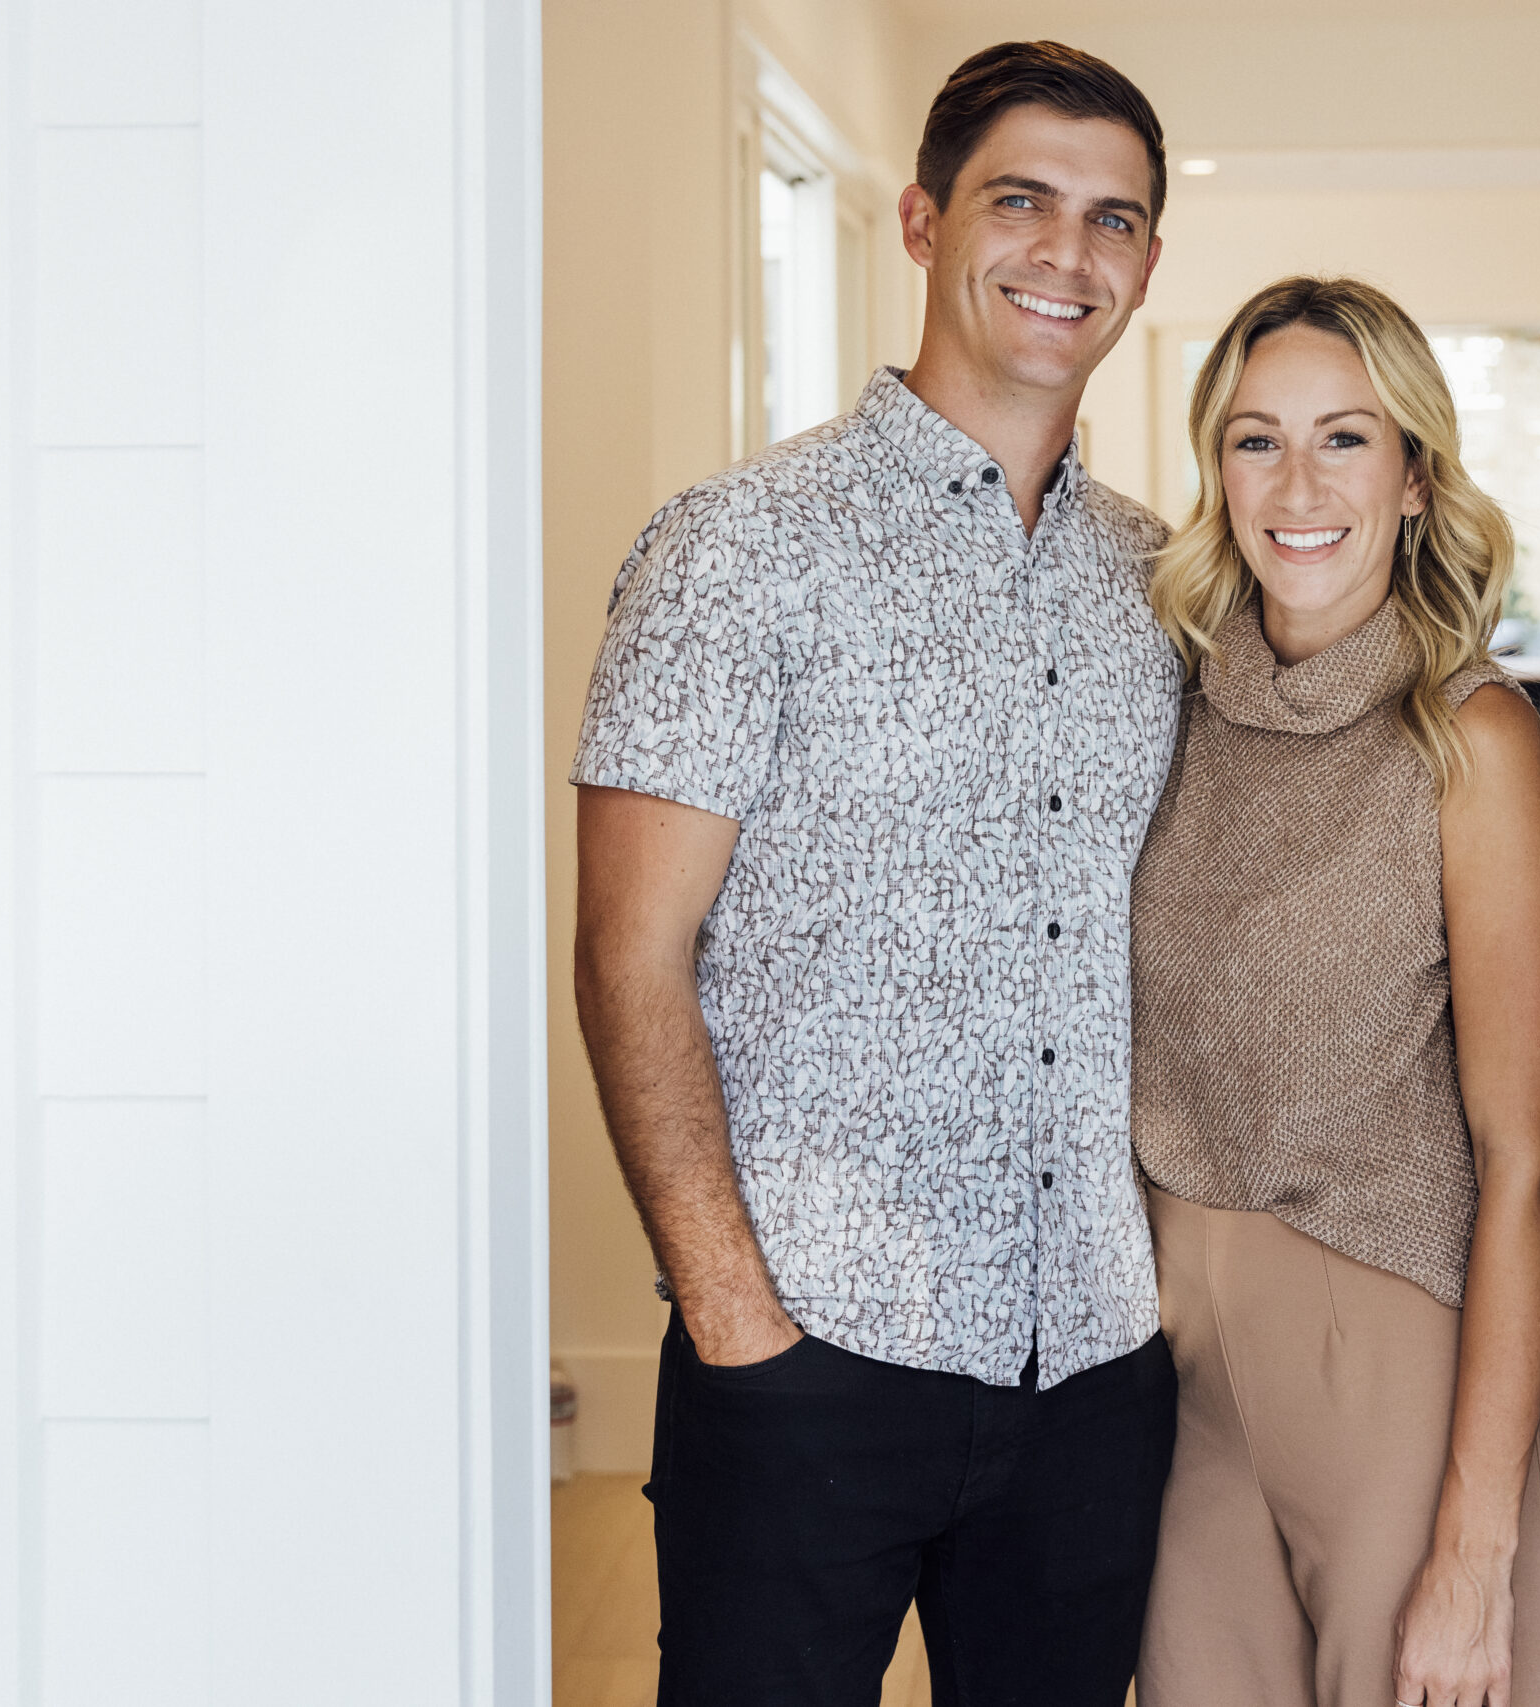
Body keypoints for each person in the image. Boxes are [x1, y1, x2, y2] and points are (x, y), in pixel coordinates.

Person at [569, 42, 1182, 1707]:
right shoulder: (736, 548)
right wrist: (730, 1318)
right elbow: (630, 954)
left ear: (1145, 263)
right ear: (921, 221)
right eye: (1022, 201)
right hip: (807, 1354)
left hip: (1097, 1366)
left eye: (1114, 219)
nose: (1068, 253)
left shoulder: (1164, 585)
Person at [1131, 276, 1540, 1707]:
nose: (1298, 483)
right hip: (1174, 1347)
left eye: (1345, 438)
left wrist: (1478, 1541)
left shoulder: (1471, 740)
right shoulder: (1179, 703)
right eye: (1257, 440)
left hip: (1395, 1347)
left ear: (1413, 476)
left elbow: (1527, 1159)